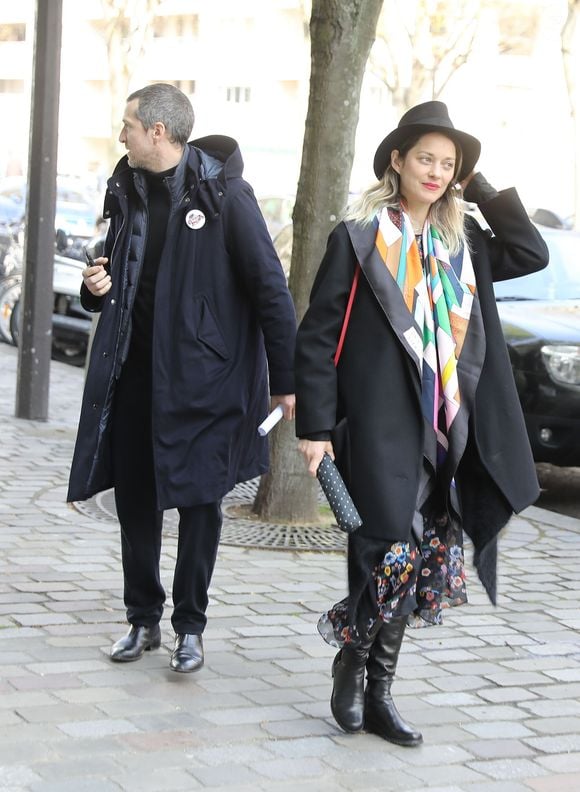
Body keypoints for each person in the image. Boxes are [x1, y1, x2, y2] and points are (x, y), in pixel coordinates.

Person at [294, 100, 548, 745]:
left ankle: (380, 690)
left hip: (450, 432)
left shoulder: (466, 246)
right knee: (386, 549)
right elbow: (319, 338)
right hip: (379, 428)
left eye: (448, 163)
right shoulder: (358, 240)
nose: (435, 171)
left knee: (421, 554)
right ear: (397, 162)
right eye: (425, 159)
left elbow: (531, 248)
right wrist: (315, 429)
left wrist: (479, 185)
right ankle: (352, 665)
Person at [67, 83, 296, 673]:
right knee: (135, 501)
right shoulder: (126, 192)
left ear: (158, 133)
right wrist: (96, 291)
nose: (122, 135)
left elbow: (271, 292)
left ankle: (189, 627)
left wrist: (287, 380)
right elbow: (116, 271)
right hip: (136, 375)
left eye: (128, 125)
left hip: (206, 385)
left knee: (200, 504)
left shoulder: (227, 197)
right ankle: (141, 619)